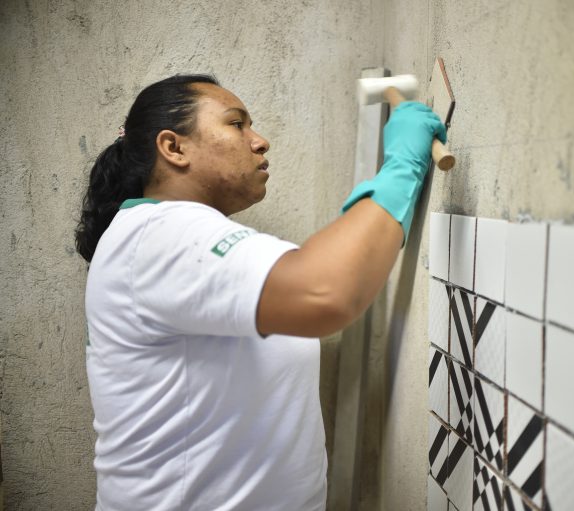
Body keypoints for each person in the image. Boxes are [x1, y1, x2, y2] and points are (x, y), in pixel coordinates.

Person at [75, 73, 446, 510]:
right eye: (237, 124)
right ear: (173, 148)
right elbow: (326, 292)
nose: (260, 140)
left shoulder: (167, 235)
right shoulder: (164, 235)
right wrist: (402, 166)